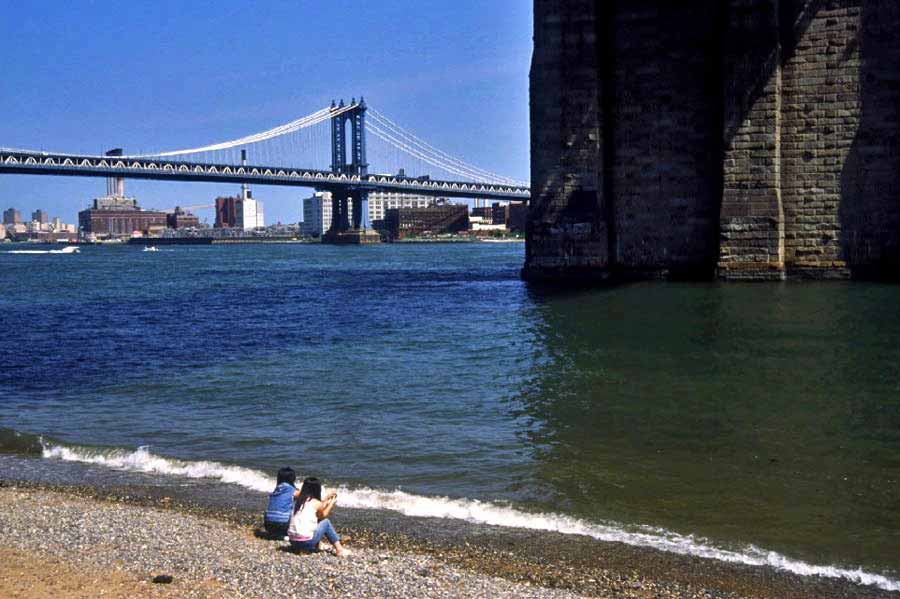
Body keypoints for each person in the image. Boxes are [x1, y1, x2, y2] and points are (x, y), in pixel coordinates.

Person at [287, 476, 350, 556]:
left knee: (312, 520)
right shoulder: (316, 503)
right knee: (325, 522)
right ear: (317, 489)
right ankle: (339, 549)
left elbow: (318, 506)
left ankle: (317, 545)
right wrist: (331, 503)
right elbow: (323, 515)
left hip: (293, 541)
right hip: (306, 542)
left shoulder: (298, 501)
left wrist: (327, 497)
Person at [263, 467, 298, 539]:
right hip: (282, 525)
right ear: (292, 478)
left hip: (268, 525)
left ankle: (276, 534)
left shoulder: (277, 489)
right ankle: (285, 534)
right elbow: (304, 495)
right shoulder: (291, 489)